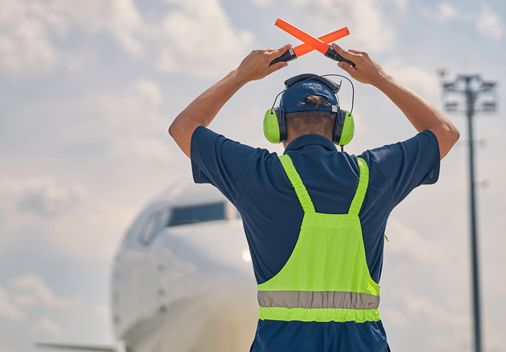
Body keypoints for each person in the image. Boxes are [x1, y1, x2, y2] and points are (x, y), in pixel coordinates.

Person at [168, 43, 459, 352]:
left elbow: (184, 127)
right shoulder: (373, 176)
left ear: (276, 125)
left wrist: (241, 75)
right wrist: (380, 78)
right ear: (341, 128)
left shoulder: (257, 175)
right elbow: (444, 131)